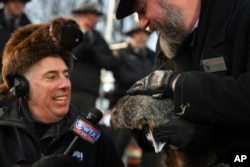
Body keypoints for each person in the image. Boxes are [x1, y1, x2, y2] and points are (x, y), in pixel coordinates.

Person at [115, 0, 250, 165]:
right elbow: (146, 126)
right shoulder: (167, 40)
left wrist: (175, 83)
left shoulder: (242, 12)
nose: (143, 24)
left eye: (143, 10)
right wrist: (161, 132)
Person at [0, 17, 125, 167]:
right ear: (21, 86)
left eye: (66, 75)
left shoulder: (95, 137)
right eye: (51, 77)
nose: (65, 84)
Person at [108, 24, 160, 167]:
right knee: (118, 143)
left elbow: (157, 77)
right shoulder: (122, 54)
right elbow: (121, 76)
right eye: (138, 34)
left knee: (149, 146)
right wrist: (144, 80)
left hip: (147, 106)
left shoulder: (152, 56)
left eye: (144, 35)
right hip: (125, 103)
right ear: (132, 36)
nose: (142, 38)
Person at [70, 1, 117, 114]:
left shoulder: (98, 39)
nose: (92, 19)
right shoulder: (70, 33)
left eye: (94, 17)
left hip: (89, 91)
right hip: (69, 88)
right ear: (80, 16)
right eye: (88, 16)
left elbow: (110, 62)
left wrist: (94, 53)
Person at [0, 0, 31, 71]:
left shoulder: (29, 30)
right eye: (14, 1)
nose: (18, 5)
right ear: (5, 2)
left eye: (22, 2)